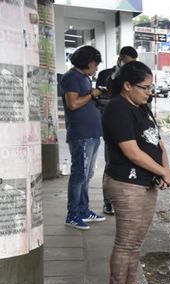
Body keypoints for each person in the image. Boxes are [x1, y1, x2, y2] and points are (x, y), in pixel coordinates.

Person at [102, 61, 170, 284]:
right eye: (144, 87)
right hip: (126, 184)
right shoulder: (117, 109)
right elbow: (131, 151)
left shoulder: (142, 106)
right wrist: (162, 172)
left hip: (145, 182)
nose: (149, 92)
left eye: (151, 87)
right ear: (127, 86)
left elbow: (158, 141)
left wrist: (164, 168)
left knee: (135, 243)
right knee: (126, 244)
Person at [61, 45, 106, 230]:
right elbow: (72, 104)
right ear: (88, 62)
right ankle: (72, 215)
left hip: (92, 134)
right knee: (79, 175)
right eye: (95, 64)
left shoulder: (84, 78)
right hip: (81, 135)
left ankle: (84, 210)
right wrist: (91, 94)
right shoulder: (71, 77)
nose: (96, 68)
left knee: (87, 175)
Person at [96, 46, 139, 216]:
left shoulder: (136, 76)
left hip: (132, 126)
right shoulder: (106, 75)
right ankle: (109, 202)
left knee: (130, 163)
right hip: (113, 125)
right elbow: (99, 97)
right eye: (127, 63)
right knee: (111, 164)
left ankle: (126, 200)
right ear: (120, 59)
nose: (130, 67)